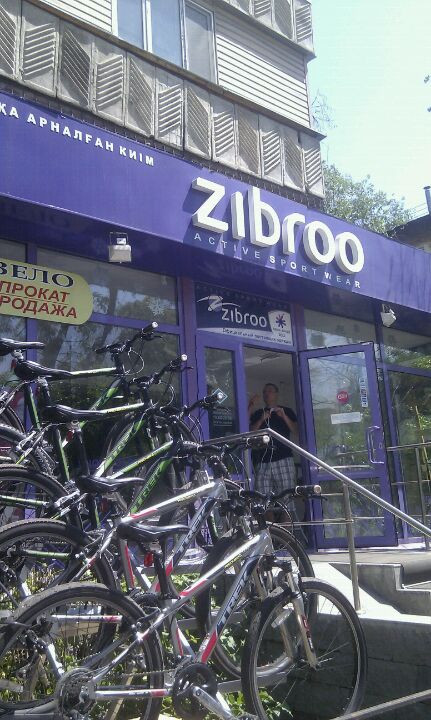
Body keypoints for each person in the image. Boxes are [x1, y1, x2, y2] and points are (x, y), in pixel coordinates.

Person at [248, 382, 298, 497]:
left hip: (283, 458)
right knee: (262, 498)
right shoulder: (259, 413)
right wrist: (261, 419)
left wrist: (284, 416)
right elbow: (249, 433)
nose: (267, 393)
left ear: (276, 394)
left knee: (286, 497)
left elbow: (296, 431)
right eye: (264, 392)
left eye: (270, 391)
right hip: (263, 461)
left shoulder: (287, 411)